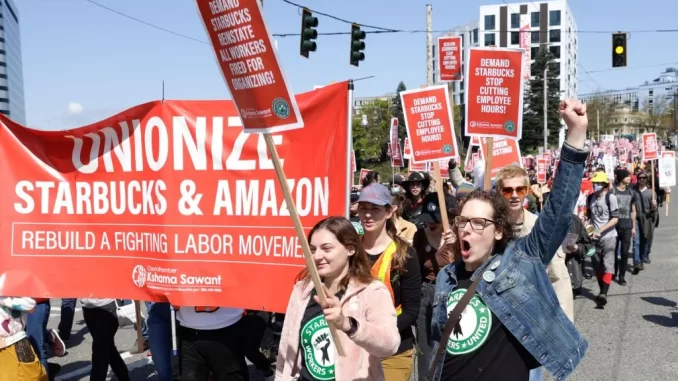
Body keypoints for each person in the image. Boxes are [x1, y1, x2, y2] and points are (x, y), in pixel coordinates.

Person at [428, 99, 589, 381]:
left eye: (479, 223)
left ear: (498, 231)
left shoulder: (519, 260)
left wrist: (575, 136)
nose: (467, 229)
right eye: (463, 221)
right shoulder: (446, 278)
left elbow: (559, 210)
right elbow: (438, 344)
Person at [275, 217, 401, 380]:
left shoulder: (371, 291)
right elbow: (286, 349)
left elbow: (390, 344)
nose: (317, 256)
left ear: (350, 249)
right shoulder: (302, 290)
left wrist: (348, 324)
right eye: (313, 250)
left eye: (326, 249)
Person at [358, 184, 421, 381]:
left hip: (394, 351)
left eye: (375, 209)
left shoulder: (405, 254)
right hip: (355, 350)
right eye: (363, 208)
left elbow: (411, 311)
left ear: (388, 212)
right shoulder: (350, 251)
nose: (368, 215)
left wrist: (378, 332)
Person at [412, 192, 456, 381]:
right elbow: (416, 271)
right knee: (426, 350)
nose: (430, 224)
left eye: (435, 220)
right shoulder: (420, 236)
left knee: (450, 347)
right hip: (427, 292)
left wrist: (456, 248)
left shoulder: (458, 234)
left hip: (452, 293)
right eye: (427, 219)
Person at [586, 172, 619, 308]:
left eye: (598, 183)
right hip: (594, 238)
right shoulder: (590, 198)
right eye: (594, 183)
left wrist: (601, 230)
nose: (595, 185)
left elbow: (615, 218)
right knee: (596, 264)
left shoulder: (610, 197)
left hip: (609, 237)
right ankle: (601, 291)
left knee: (608, 264)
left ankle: (604, 293)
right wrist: (588, 228)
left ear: (604, 185)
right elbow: (588, 217)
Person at [79, 298, 130, 381]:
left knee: (99, 349)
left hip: (108, 304)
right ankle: (124, 376)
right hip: (87, 305)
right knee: (107, 346)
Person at [0, 297, 47, 381]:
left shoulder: (7, 286)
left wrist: (2, 298)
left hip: (15, 341)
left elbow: (29, 303)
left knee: (31, 376)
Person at [610, 168, 638, 286]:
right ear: (622, 178)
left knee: (625, 252)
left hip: (627, 227)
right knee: (613, 251)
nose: (629, 178)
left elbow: (633, 211)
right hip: (614, 227)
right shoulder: (612, 192)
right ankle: (613, 272)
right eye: (627, 176)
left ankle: (621, 276)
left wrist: (633, 227)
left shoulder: (631, 192)